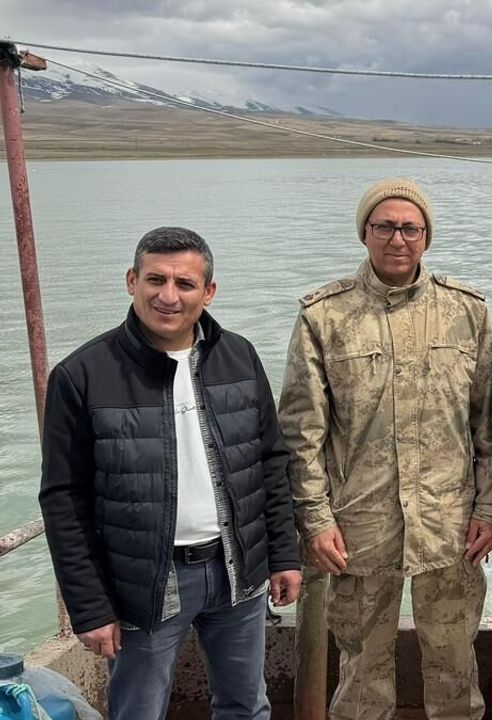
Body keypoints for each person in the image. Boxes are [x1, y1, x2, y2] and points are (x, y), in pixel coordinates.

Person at [38, 227, 301, 720]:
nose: (168, 296)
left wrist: (284, 554)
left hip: (237, 570)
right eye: (155, 279)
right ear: (131, 281)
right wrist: (90, 606)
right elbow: (63, 499)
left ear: (209, 291)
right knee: (138, 711)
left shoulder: (239, 356)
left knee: (247, 706)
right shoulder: (81, 375)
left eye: (185, 283)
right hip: (142, 584)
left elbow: (270, 461)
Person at [278, 177, 492, 720]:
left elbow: (491, 424)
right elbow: (301, 434)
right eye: (384, 227)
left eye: (410, 228)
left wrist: (491, 508)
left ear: (427, 236)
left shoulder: (467, 312)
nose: (398, 239)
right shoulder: (323, 317)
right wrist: (316, 520)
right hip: (357, 529)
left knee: (455, 670)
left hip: (450, 526)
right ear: (365, 233)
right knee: (362, 677)